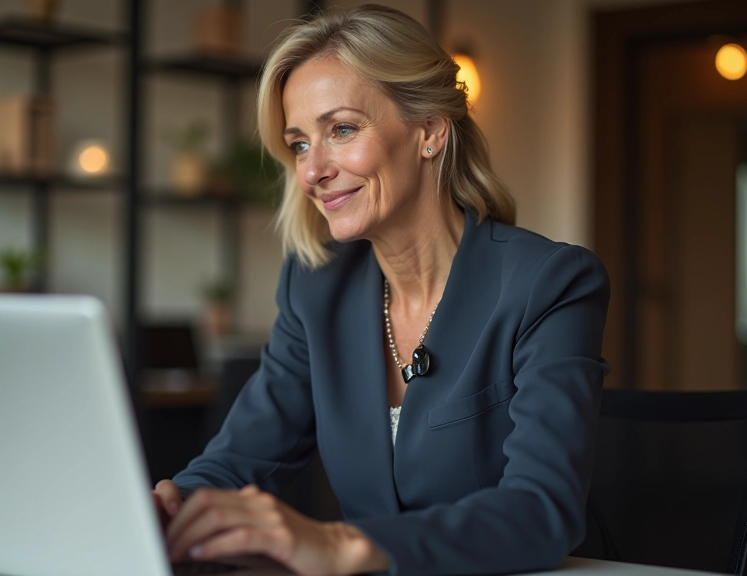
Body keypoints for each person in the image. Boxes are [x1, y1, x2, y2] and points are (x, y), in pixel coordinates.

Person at [153, 5, 610, 576]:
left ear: (430, 132)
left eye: (341, 130)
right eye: (299, 144)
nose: (312, 170)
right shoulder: (316, 288)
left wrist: (342, 546)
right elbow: (238, 459)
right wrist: (171, 506)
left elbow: (542, 510)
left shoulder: (549, 283)